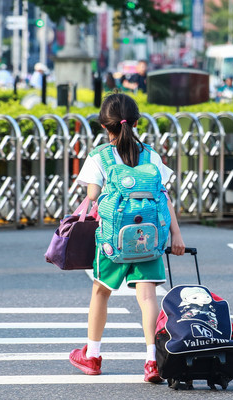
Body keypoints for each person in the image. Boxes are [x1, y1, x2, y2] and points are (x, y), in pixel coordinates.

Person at [69, 93, 186, 382]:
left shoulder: (99, 156)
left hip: (111, 241)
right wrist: (177, 235)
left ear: (103, 125)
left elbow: (92, 197)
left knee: (101, 292)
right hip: (150, 237)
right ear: (135, 122)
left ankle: (93, 355)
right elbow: (164, 197)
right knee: (147, 298)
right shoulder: (151, 156)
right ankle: (152, 361)